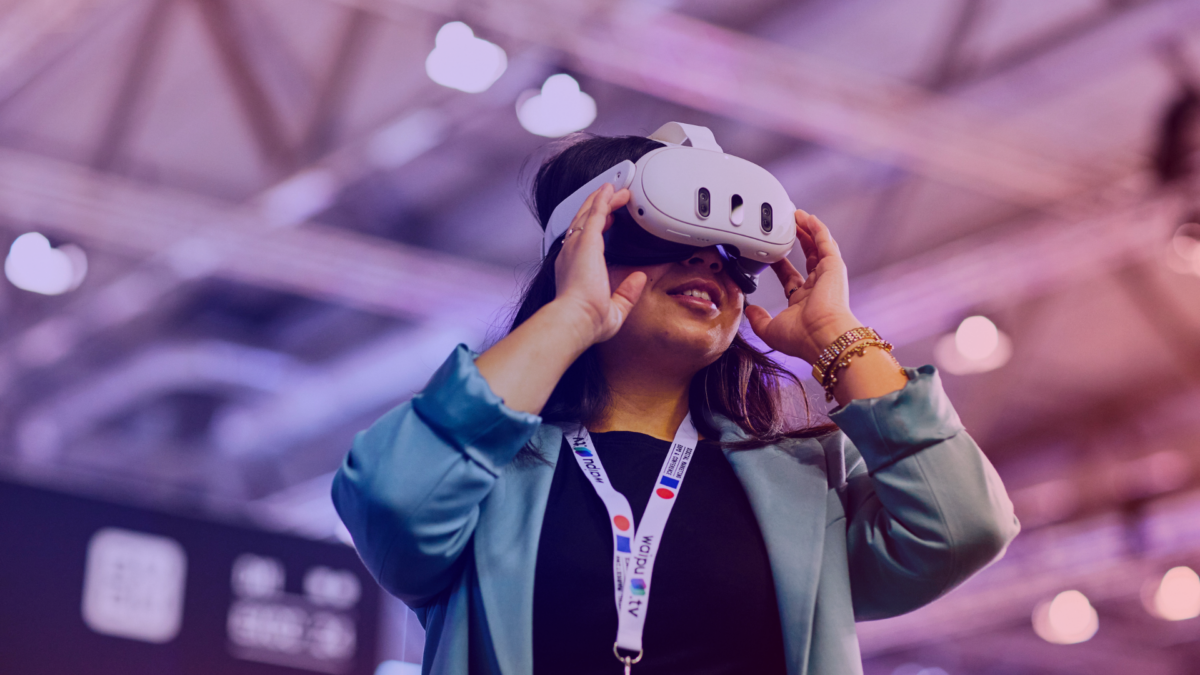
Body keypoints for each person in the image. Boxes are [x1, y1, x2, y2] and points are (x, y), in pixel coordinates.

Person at [333, 133, 1020, 675]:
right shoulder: (488, 476)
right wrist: (572, 315)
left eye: (732, 253)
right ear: (585, 249)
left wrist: (834, 334)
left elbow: (963, 525)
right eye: (666, 234)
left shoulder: (808, 484)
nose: (711, 261)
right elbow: (390, 497)